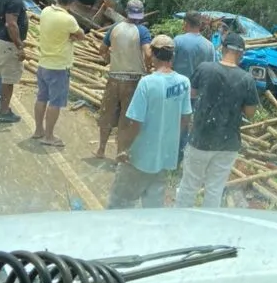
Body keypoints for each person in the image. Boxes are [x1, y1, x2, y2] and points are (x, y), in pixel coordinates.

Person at [107, 35, 192, 209]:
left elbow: (135, 122)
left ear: (152, 54)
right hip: (164, 157)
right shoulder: (184, 83)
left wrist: (125, 149)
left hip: (139, 156)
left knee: (120, 204)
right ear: (172, 56)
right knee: (153, 208)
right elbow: (185, 119)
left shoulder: (147, 83)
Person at [176, 31, 259, 208]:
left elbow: (192, 93)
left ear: (222, 48)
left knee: (189, 186)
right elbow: (250, 112)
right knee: (214, 189)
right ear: (241, 54)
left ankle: (180, 223)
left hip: (200, 138)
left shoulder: (205, 68)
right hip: (228, 143)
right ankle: (208, 229)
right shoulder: (247, 79)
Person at [95, 0, 152, 158]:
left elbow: (102, 49)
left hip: (114, 77)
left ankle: (101, 149)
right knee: (126, 117)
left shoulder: (114, 28)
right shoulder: (142, 31)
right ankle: (120, 152)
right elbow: (148, 54)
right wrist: (148, 67)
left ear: (127, 12)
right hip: (133, 80)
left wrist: (108, 59)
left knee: (107, 112)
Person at [32, 0, 85, 147]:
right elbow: (81, 34)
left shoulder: (46, 11)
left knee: (41, 98)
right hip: (59, 67)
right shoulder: (68, 19)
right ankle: (49, 136)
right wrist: (71, 37)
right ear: (72, 2)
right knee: (55, 102)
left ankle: (38, 130)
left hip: (43, 63)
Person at [173, 11, 215, 163]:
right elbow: (211, 71)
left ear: (186, 23)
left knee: (172, 124)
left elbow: (168, 64)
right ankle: (182, 157)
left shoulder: (178, 41)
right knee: (188, 124)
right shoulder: (209, 46)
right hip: (197, 94)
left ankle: (170, 156)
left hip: (176, 92)